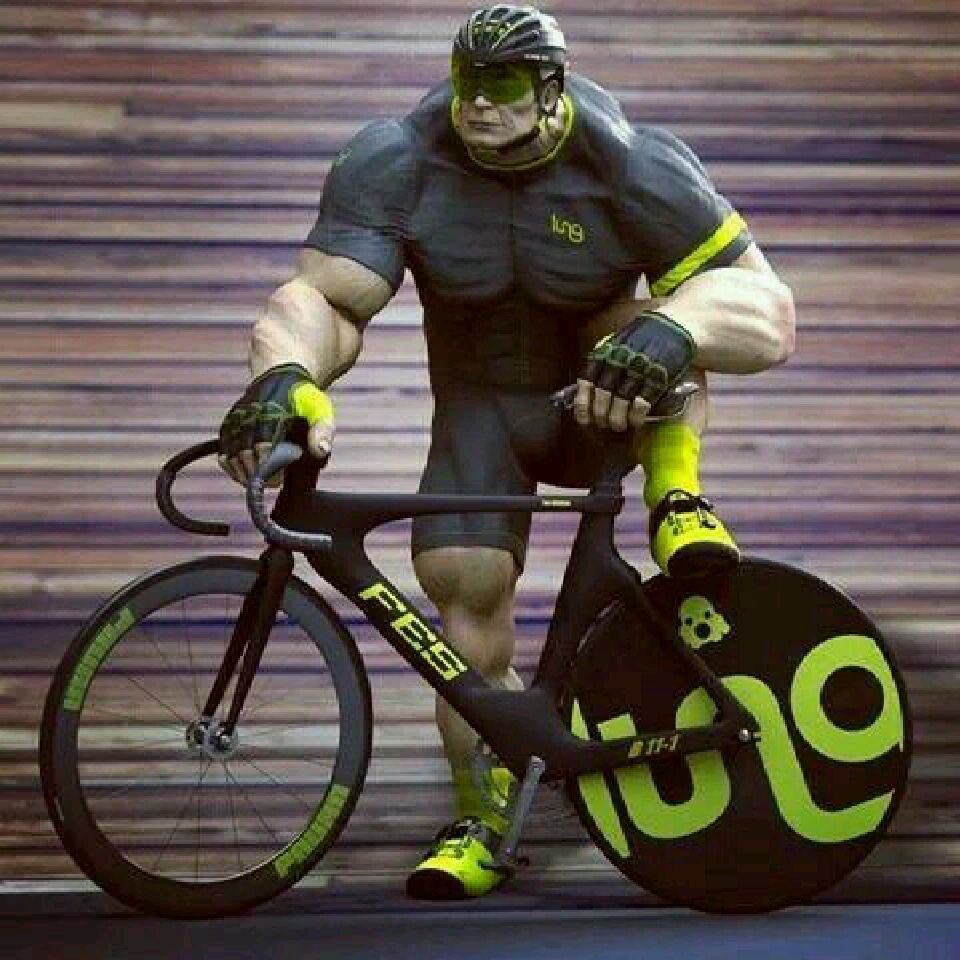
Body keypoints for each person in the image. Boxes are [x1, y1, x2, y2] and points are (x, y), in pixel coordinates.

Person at [218, 4, 796, 900]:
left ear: (551, 87)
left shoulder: (631, 162)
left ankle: (678, 499)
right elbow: (325, 299)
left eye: (505, 84)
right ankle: (483, 820)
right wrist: (284, 371)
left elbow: (768, 312)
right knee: (465, 597)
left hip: (608, 403)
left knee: (664, 323)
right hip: (482, 411)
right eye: (469, 82)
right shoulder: (399, 159)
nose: (480, 104)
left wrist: (678, 327)